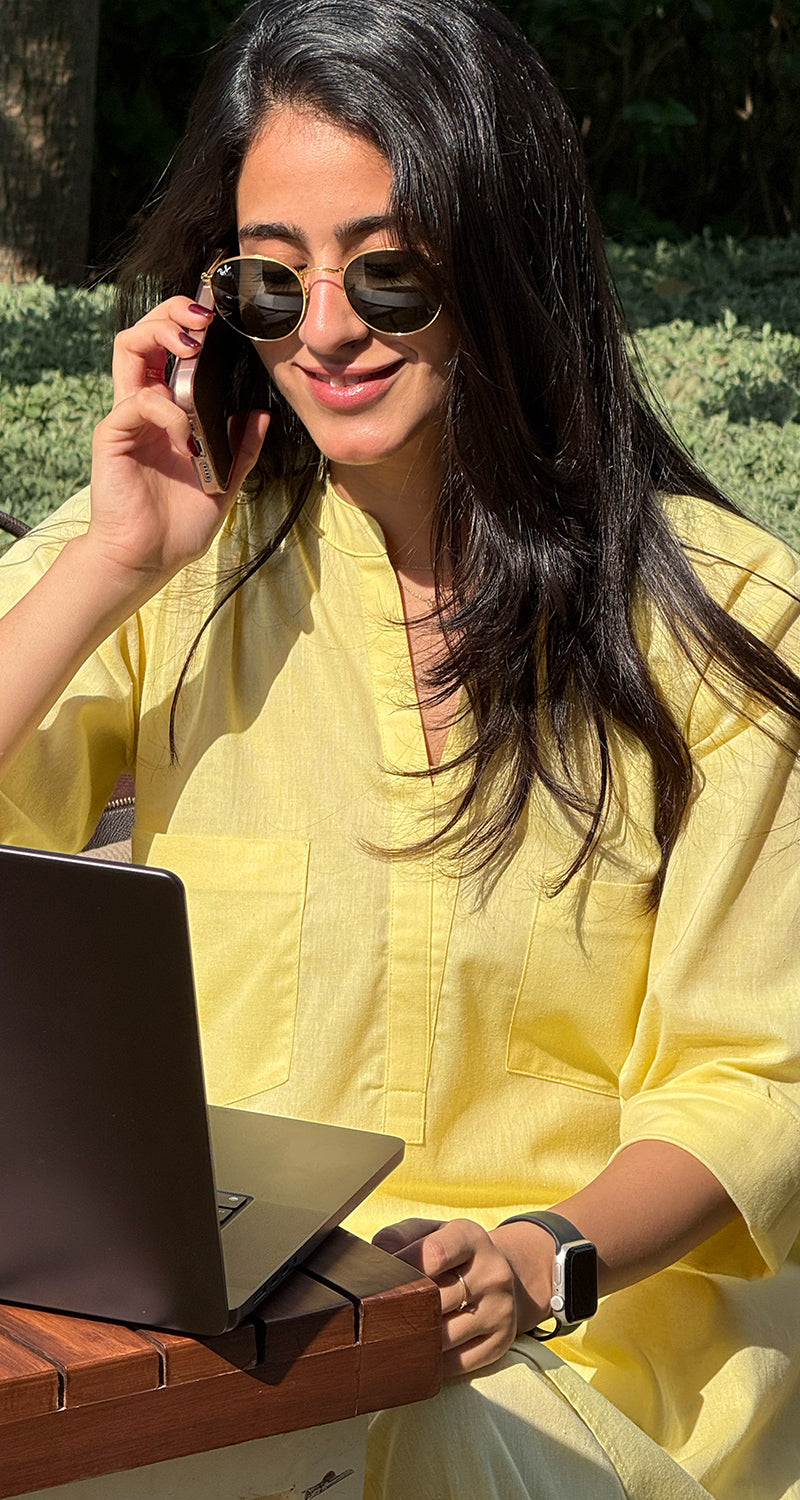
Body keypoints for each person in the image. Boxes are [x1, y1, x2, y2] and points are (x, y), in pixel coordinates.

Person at [1, 0, 799, 1494]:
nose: (326, 330)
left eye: (388, 271)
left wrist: (536, 1257)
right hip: (224, 1348)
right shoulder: (175, 562)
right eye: (268, 280)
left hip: (573, 1372)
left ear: (502, 261)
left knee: (396, 1425)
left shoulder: (728, 621)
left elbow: (757, 1080)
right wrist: (113, 565)